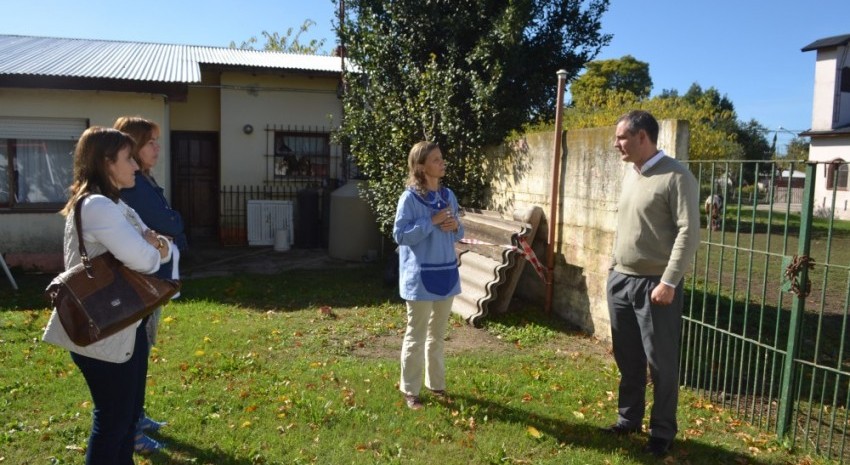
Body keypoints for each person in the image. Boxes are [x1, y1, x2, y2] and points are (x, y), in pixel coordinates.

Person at [42, 126, 173, 464]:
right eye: (128, 158)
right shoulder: (98, 205)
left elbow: (162, 245)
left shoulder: (116, 204)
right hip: (103, 330)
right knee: (113, 421)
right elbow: (147, 258)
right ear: (105, 162)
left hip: (123, 325)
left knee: (126, 420)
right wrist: (154, 246)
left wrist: (154, 245)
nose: (136, 165)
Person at [605, 110, 700, 457]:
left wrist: (669, 281)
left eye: (622, 138)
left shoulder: (677, 176)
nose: (617, 144)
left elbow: (689, 233)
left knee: (661, 362)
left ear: (642, 136)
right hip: (621, 281)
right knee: (628, 358)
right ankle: (628, 419)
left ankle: (662, 430)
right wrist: (613, 266)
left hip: (655, 287)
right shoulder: (632, 174)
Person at [114, 116, 188, 454]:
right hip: (140, 280)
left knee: (141, 350)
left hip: (148, 277)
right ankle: (131, 428)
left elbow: (169, 222)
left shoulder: (141, 179)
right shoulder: (134, 185)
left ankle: (136, 416)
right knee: (135, 352)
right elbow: (166, 220)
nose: (157, 148)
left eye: (157, 141)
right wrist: (173, 224)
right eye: (150, 142)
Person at [392, 141, 464, 410]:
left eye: (441, 158)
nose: (442, 163)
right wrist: (430, 222)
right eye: (436, 160)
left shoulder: (448, 196)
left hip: (446, 273)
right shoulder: (409, 198)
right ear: (421, 167)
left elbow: (459, 233)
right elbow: (400, 235)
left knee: (438, 334)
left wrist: (455, 225)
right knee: (416, 334)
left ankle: (437, 384)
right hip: (420, 278)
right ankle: (410, 390)